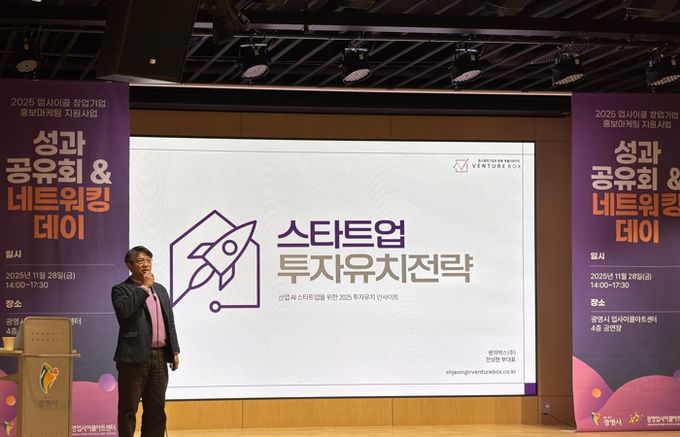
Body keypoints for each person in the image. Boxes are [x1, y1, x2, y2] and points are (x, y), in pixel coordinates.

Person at [112, 246, 180, 437]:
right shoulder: (121, 290)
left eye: (148, 260)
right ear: (129, 265)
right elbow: (125, 312)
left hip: (160, 356)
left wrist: (174, 350)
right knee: (128, 409)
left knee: (156, 408)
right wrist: (144, 288)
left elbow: (169, 320)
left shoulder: (161, 290)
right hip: (133, 358)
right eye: (140, 261)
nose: (146, 264)